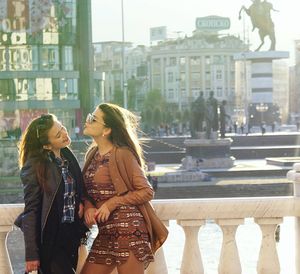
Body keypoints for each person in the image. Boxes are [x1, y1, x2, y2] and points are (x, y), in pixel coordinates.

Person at [81, 103, 168, 274]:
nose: (88, 121)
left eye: (93, 119)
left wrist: (111, 203)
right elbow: (87, 192)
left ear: (106, 130)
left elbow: (146, 191)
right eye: (90, 116)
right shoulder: (92, 154)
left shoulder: (123, 154)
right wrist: (90, 207)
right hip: (106, 232)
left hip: (129, 231)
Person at [14, 114, 88, 274]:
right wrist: (31, 254)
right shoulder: (35, 167)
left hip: (71, 234)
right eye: (58, 134)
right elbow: (31, 211)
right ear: (47, 145)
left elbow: (76, 188)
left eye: (62, 127)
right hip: (51, 238)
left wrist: (80, 201)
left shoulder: (68, 157)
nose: (65, 133)